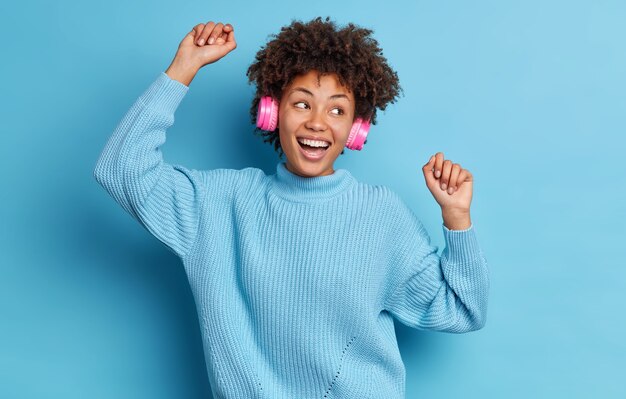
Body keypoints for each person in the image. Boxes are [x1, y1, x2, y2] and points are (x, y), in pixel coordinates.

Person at [94, 16, 489, 399]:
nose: (318, 122)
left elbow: (462, 310)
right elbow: (120, 168)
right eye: (302, 104)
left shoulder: (381, 216)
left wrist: (456, 218)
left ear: (356, 129)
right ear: (272, 112)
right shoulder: (217, 205)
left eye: (337, 110)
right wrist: (184, 68)